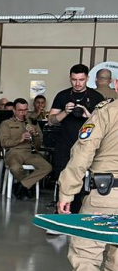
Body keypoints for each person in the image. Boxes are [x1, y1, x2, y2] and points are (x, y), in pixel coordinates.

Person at [57, 89, 118, 271]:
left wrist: (66, 191)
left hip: (107, 197)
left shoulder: (107, 111)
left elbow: (83, 152)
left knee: (83, 254)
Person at [48, 64, 104, 212]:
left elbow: (103, 125)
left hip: (87, 147)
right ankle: (60, 213)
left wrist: (88, 115)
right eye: (74, 80)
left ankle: (77, 214)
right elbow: (51, 120)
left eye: (81, 80)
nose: (77, 83)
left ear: (87, 78)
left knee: (83, 181)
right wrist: (65, 112)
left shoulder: (97, 97)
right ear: (70, 78)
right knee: (62, 179)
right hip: (64, 145)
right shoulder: (62, 96)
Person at [0, 98, 51, 199]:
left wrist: (35, 134)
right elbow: (4, 143)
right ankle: (28, 187)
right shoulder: (6, 123)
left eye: (25, 110)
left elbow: (38, 145)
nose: (23, 113)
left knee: (47, 167)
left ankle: (22, 186)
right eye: (20, 110)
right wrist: (20, 139)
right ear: (14, 110)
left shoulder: (32, 122)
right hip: (13, 152)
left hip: (30, 152)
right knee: (15, 168)